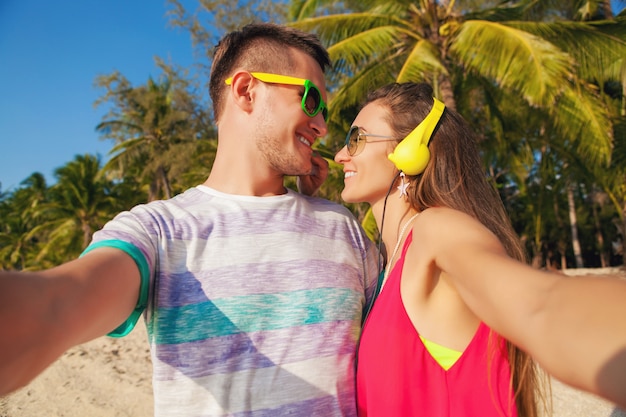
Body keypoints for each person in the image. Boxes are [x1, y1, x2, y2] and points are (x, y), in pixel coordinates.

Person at [0, 23, 379, 416]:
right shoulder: (159, 230)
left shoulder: (341, 227)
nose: (323, 126)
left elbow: (400, 335)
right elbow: (57, 305)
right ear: (246, 91)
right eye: (312, 100)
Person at [334, 82, 626, 416]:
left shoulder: (438, 230)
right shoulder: (387, 265)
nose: (341, 155)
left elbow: (540, 305)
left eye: (356, 139)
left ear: (408, 150)